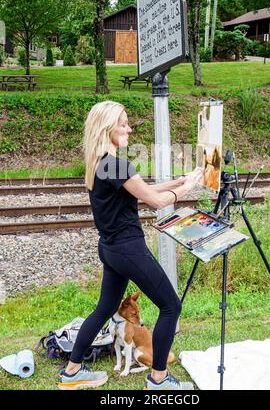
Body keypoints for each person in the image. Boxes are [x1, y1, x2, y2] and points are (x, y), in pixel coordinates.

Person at [58, 100, 203, 391]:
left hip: (111, 248)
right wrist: (189, 187)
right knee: (171, 306)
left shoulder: (101, 163)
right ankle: (159, 379)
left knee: (104, 309)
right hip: (127, 249)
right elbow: (156, 201)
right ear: (108, 127)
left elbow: (143, 191)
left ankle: (72, 372)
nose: (130, 128)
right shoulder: (117, 164)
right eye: (124, 123)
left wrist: (179, 180)